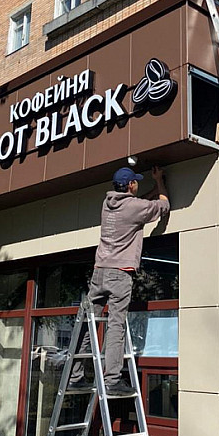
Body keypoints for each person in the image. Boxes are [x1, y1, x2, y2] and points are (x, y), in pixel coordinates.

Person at [69, 165, 170, 396]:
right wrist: (160, 183)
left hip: (99, 272)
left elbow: (137, 205)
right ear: (131, 185)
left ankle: (75, 376)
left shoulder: (107, 204)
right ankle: (112, 380)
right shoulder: (134, 207)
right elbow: (163, 206)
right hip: (120, 273)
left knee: (89, 323)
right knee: (116, 325)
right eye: (136, 182)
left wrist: (150, 191)